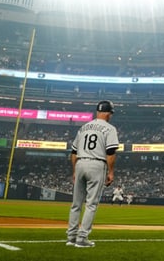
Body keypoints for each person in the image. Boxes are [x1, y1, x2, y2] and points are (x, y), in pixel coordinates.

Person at [66, 100, 119, 248]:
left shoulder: (84, 127)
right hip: (96, 164)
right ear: (108, 113)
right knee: (91, 204)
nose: (110, 116)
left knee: (76, 204)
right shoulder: (109, 128)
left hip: (80, 163)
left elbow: (74, 152)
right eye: (110, 113)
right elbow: (110, 152)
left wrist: (75, 170)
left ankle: (71, 237)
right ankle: (82, 238)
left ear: (97, 112)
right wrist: (111, 172)